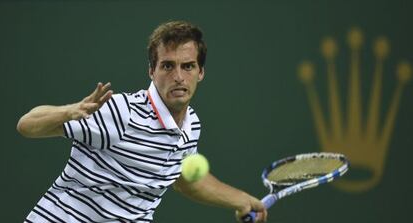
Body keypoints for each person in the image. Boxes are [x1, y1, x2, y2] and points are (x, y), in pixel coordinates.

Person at [17, 20, 267, 223]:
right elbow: (27, 125)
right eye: (168, 66)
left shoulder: (191, 125)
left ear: (200, 72)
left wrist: (241, 200)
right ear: (151, 71)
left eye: (188, 66)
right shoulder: (122, 112)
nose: (179, 77)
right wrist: (71, 111)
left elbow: (186, 180)